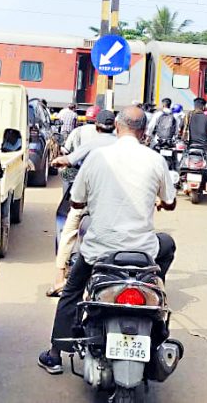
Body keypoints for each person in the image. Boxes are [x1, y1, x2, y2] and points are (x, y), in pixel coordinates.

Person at [38, 106, 177, 374]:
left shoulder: (97, 157)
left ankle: (55, 354)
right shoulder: (155, 159)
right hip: (143, 253)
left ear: (117, 126)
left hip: (99, 252)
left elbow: (76, 201)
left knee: (72, 291)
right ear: (144, 132)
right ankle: (153, 290)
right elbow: (169, 203)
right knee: (167, 244)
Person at [48, 110, 119, 295]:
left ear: (96, 126)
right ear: (115, 127)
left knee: (68, 232)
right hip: (116, 201)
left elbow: (68, 158)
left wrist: (56, 162)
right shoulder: (122, 144)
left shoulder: (91, 142)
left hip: (90, 198)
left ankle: (59, 280)